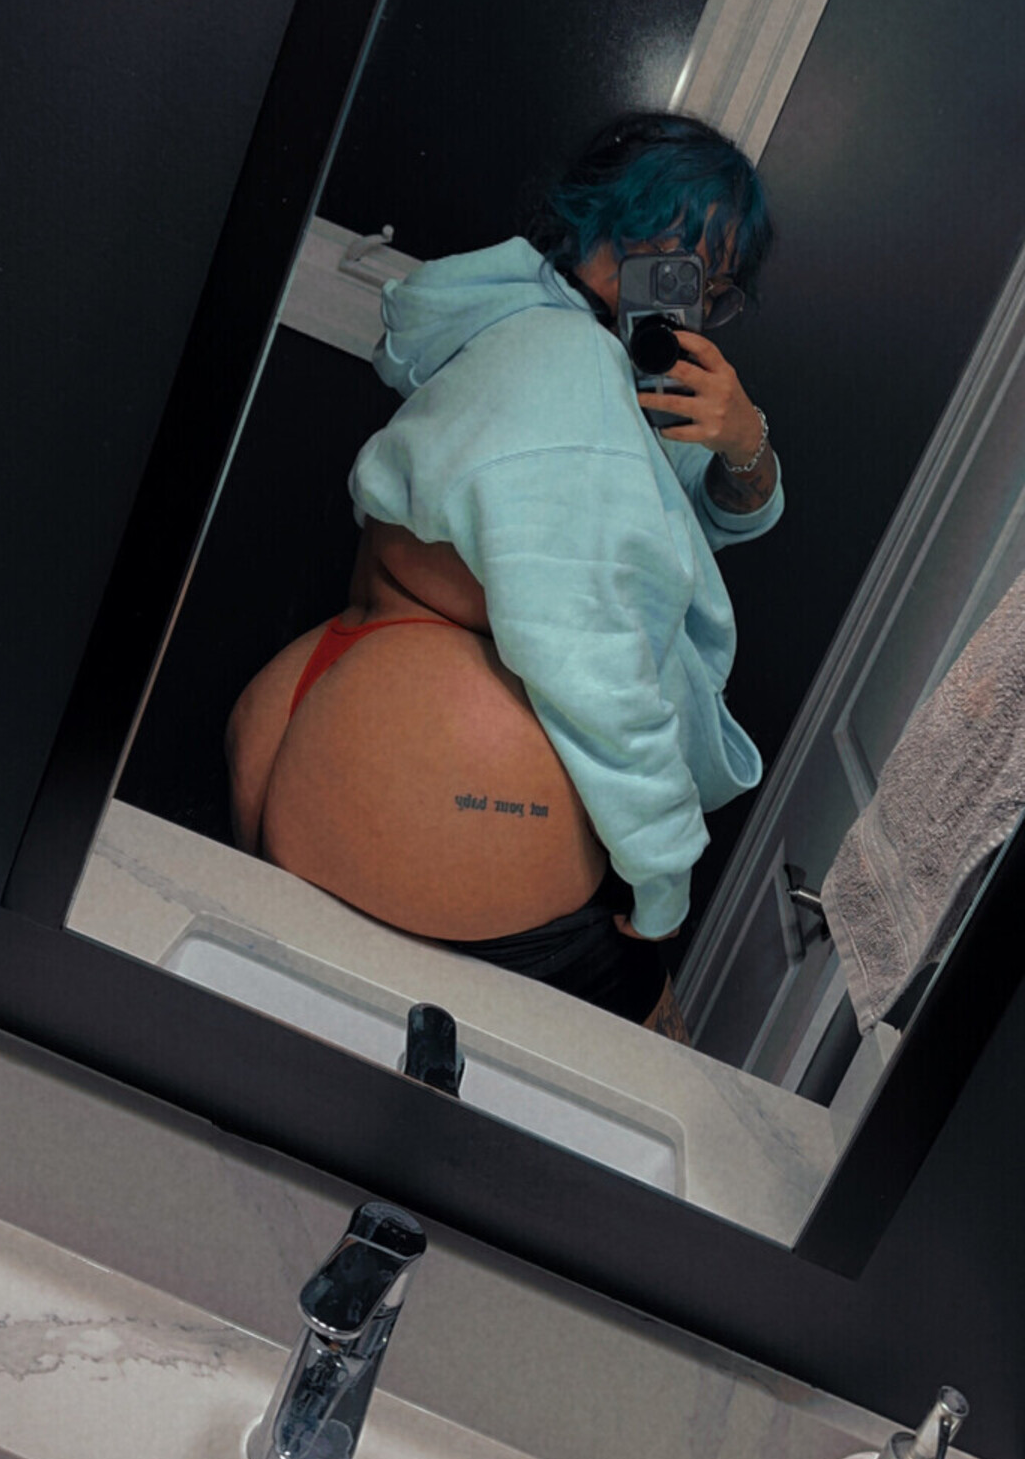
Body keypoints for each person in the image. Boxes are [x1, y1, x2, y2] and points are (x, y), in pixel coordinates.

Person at [226, 112, 783, 1039]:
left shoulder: (519, 330)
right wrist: (663, 872)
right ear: (628, 230)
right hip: (430, 814)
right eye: (690, 266)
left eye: (715, 293)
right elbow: (598, 658)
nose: (693, 302)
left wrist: (744, 438)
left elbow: (693, 510)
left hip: (324, 712)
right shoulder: (574, 374)